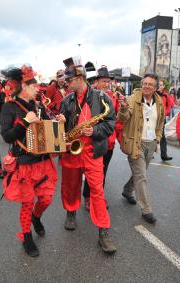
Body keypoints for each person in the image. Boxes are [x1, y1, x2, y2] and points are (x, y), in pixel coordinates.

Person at [0, 65, 59, 257]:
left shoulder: (39, 105)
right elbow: (7, 137)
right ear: (23, 86)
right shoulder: (9, 107)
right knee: (27, 202)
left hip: (42, 161)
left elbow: (48, 128)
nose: (37, 89)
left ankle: (37, 217)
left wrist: (58, 120)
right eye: (33, 85)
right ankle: (27, 236)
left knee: (46, 199)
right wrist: (25, 122)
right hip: (24, 162)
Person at [59, 58, 117, 254]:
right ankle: (70, 212)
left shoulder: (102, 98)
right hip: (71, 150)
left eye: (69, 80)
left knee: (97, 192)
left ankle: (103, 232)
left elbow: (110, 124)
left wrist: (95, 131)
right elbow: (61, 129)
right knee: (70, 186)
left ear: (80, 77)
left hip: (93, 152)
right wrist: (60, 121)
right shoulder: (66, 100)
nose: (66, 84)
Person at [118, 73, 165, 223]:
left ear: (155, 88)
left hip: (151, 143)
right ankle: (146, 209)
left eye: (150, 84)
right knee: (142, 176)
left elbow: (161, 122)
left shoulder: (159, 102)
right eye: (145, 83)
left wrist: (157, 139)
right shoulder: (132, 99)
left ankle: (127, 190)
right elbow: (123, 118)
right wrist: (124, 107)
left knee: (140, 173)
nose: (147, 86)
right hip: (135, 142)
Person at [82, 65, 120, 211]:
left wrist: (123, 106)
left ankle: (98, 197)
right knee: (91, 172)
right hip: (94, 140)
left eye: (107, 81)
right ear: (96, 82)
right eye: (103, 81)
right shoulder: (91, 96)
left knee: (102, 172)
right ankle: (87, 196)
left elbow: (116, 119)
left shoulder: (113, 96)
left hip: (109, 142)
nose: (106, 84)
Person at [157, 79, 173, 161]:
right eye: (158, 84)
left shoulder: (166, 96)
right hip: (151, 118)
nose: (159, 86)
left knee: (162, 137)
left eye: (161, 85)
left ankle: (164, 155)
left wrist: (165, 113)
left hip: (161, 119)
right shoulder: (152, 94)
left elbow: (170, 105)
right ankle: (148, 152)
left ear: (163, 86)